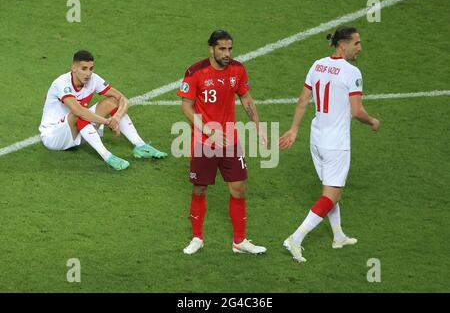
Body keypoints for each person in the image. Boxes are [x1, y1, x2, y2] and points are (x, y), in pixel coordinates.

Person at [279, 27, 380, 262]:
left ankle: (338, 236)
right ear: (343, 45)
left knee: (332, 190)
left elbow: (303, 100)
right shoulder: (351, 72)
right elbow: (356, 111)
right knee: (331, 195)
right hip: (336, 144)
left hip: (317, 139)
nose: (360, 48)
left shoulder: (317, 65)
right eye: (357, 43)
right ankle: (296, 238)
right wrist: (373, 121)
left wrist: (294, 129)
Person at [177, 30, 267, 255]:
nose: (227, 54)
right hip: (204, 141)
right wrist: (207, 130)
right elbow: (186, 106)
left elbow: (246, 98)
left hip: (230, 140)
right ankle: (197, 238)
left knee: (239, 188)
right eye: (222, 49)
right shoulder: (195, 71)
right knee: (200, 189)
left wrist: (258, 124)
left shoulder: (237, 69)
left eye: (230, 49)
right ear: (211, 49)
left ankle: (239, 241)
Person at [39, 50, 167, 170]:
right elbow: (79, 112)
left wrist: (116, 118)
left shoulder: (93, 79)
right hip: (54, 136)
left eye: (91, 68)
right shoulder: (61, 83)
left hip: (79, 130)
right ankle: (107, 156)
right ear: (73, 68)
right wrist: (107, 122)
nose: (88, 73)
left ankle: (141, 146)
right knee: (79, 113)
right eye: (84, 69)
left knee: (112, 101)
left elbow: (123, 99)